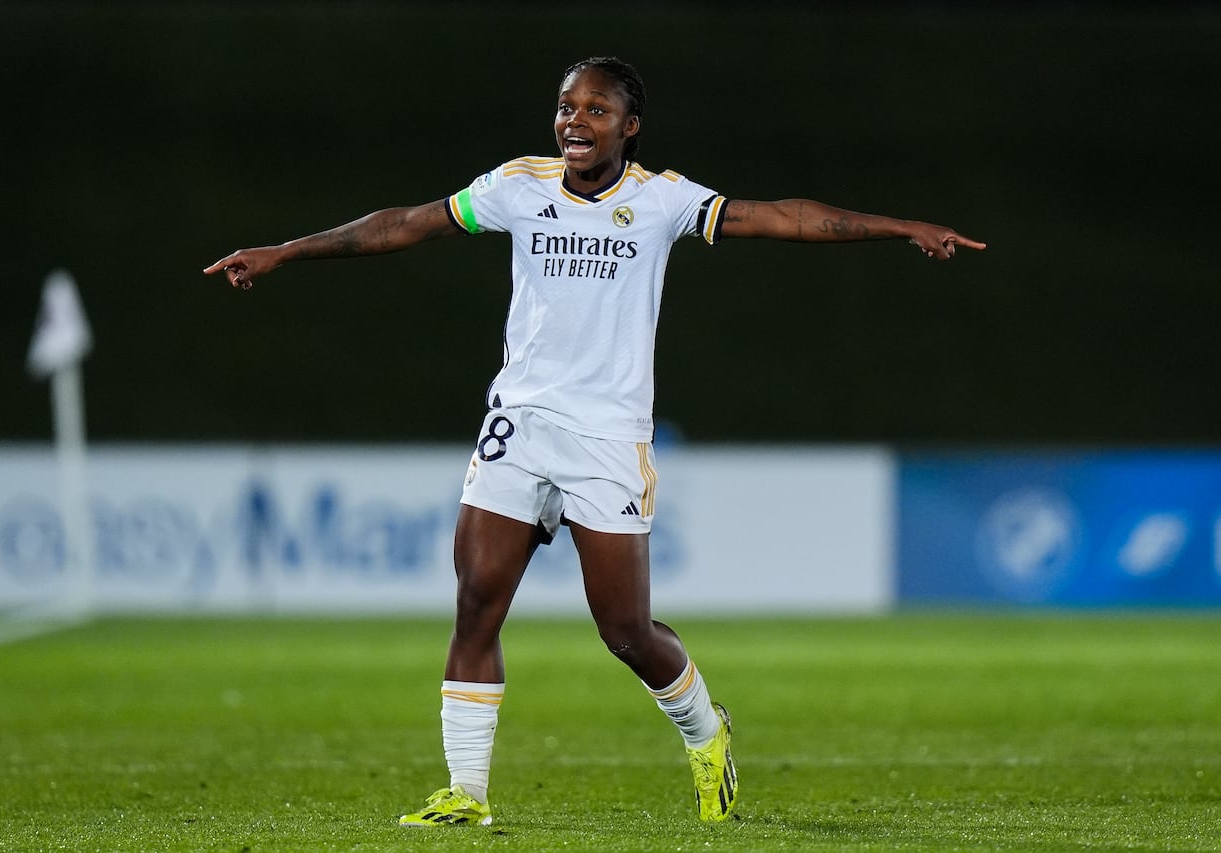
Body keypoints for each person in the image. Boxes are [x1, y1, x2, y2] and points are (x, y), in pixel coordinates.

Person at [204, 56, 985, 827]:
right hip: (519, 425)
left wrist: (899, 228)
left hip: (608, 439)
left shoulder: (662, 201)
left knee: (626, 632)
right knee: (476, 603)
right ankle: (465, 794)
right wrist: (287, 251)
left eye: (597, 110)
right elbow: (405, 224)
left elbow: (782, 215)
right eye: (567, 107)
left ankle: (706, 732)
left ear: (630, 127)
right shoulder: (518, 186)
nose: (576, 122)